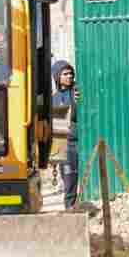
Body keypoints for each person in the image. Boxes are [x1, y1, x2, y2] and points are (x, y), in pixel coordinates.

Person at [52, 60, 79, 208]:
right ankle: (70, 208)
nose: (69, 76)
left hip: (80, 141)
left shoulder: (77, 92)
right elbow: (56, 128)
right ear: (57, 77)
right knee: (69, 178)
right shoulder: (54, 99)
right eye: (65, 74)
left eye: (71, 73)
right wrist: (55, 155)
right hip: (66, 146)